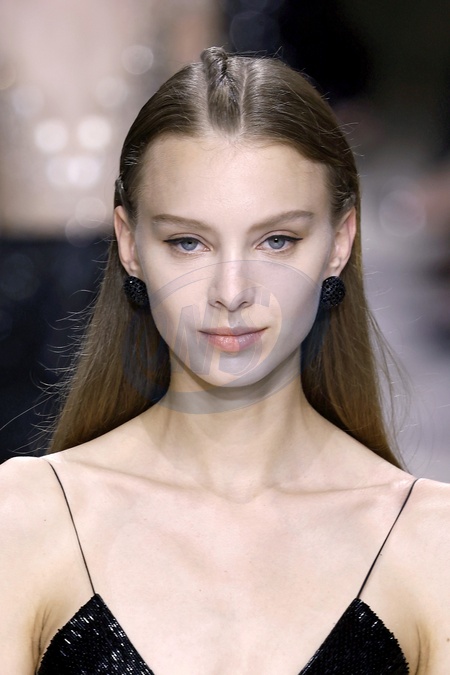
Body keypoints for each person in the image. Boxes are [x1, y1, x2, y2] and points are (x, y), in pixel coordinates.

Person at [0, 46, 449, 675]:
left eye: (277, 240)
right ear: (130, 244)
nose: (231, 291)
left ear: (339, 242)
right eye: (188, 242)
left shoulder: (429, 540)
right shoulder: (26, 519)